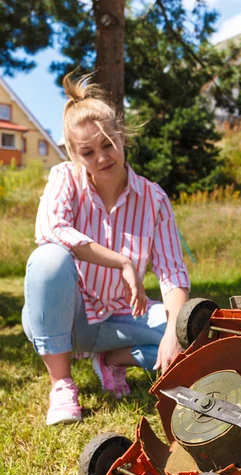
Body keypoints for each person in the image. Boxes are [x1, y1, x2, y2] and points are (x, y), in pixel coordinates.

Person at [22, 72, 190, 426]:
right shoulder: (64, 179)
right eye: (88, 152)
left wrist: (175, 329)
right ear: (74, 154)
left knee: (193, 332)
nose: (102, 157)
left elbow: (172, 272)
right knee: (48, 258)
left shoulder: (153, 198)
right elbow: (51, 229)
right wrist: (121, 261)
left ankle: (113, 360)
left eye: (108, 144)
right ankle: (62, 384)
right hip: (69, 319)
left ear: (121, 136)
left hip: (122, 318)